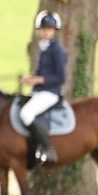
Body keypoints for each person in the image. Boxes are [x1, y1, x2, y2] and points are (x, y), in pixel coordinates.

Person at [19, 11, 67, 163]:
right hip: (40, 92)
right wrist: (31, 79)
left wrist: (37, 80)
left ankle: (48, 148)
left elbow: (61, 77)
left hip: (51, 93)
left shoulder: (57, 50)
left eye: (49, 28)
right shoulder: (43, 48)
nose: (46, 31)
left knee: (26, 114)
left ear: (54, 30)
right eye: (44, 28)